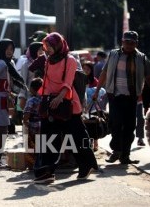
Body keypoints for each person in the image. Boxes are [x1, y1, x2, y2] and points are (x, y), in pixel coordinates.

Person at [34, 32, 98, 184]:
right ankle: (47, 172)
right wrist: (46, 100)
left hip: (68, 104)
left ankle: (87, 165)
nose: (47, 49)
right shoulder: (48, 61)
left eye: (49, 46)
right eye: (46, 46)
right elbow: (47, 83)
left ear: (58, 45)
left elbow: (68, 83)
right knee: (49, 138)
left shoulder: (70, 60)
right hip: (51, 103)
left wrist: (59, 98)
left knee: (78, 137)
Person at [93, 31, 150, 164]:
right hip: (115, 95)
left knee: (130, 126)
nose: (129, 45)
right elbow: (104, 72)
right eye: (126, 42)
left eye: (132, 43)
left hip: (131, 97)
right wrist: (96, 91)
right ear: (122, 42)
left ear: (136, 43)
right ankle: (116, 151)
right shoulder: (113, 54)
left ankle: (125, 155)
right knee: (115, 124)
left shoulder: (141, 58)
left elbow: (148, 77)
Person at [0, 38, 27, 169]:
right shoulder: (2, 63)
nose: (10, 51)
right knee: (2, 131)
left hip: (0, 99)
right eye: (7, 49)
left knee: (0, 131)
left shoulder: (3, 62)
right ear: (2, 49)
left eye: (12, 49)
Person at [22, 77, 43, 170]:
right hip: (44, 126)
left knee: (31, 147)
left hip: (34, 127)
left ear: (32, 89)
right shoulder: (46, 99)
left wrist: (25, 124)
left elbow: (26, 116)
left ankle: (32, 165)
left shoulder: (31, 100)